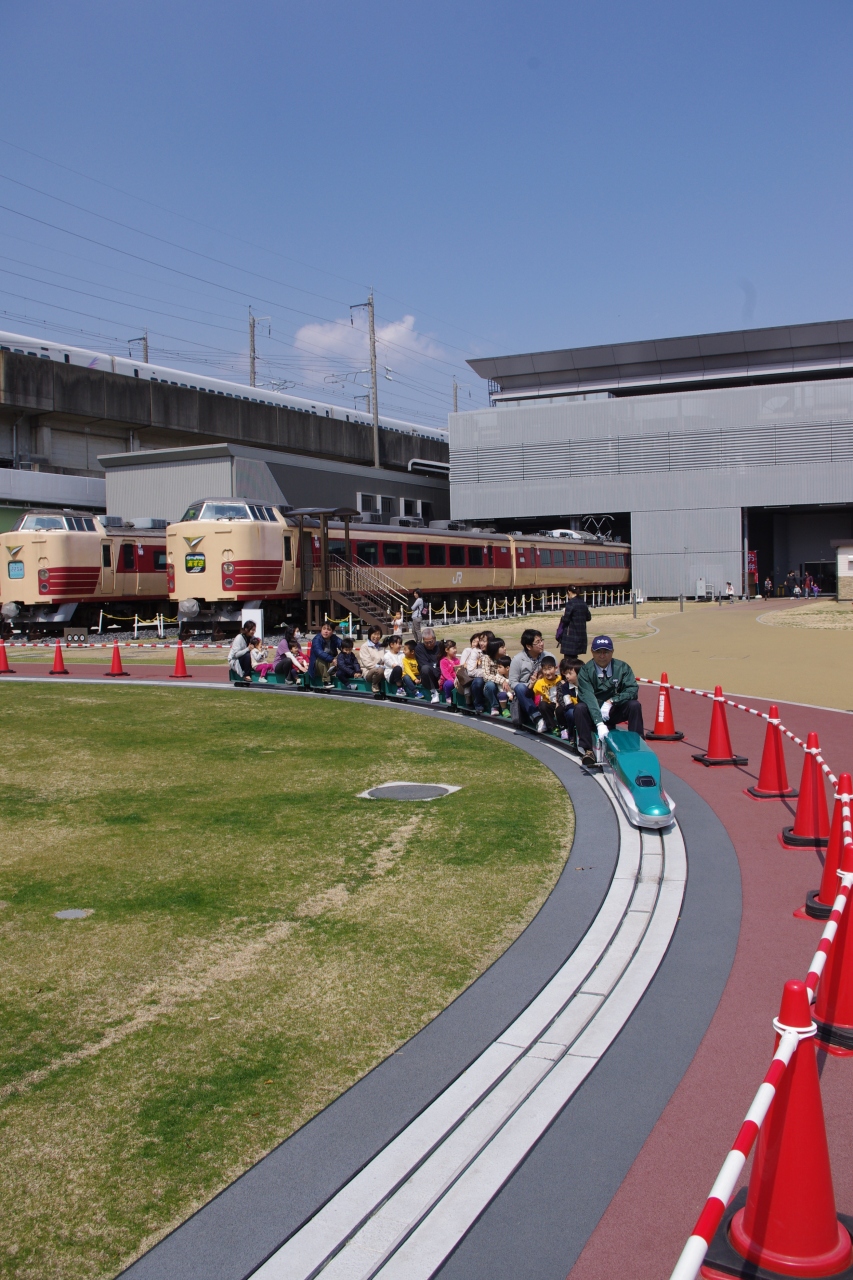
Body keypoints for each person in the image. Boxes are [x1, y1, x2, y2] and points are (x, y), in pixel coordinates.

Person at [575, 635, 644, 767]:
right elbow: (588, 697)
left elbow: (632, 690)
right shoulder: (585, 671)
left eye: (606, 652)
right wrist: (599, 722)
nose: (602, 656)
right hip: (593, 712)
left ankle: (637, 744)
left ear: (612, 652)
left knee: (634, 705)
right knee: (579, 708)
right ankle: (588, 750)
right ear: (592, 652)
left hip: (613, 710)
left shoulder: (622, 668)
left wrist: (612, 701)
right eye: (598, 652)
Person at [508, 628, 547, 732]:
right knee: (519, 687)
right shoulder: (517, 659)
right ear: (528, 646)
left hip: (544, 688)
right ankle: (538, 718)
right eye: (537, 642)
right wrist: (531, 684)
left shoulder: (548, 656)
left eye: (541, 640)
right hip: (525, 691)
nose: (541, 644)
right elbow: (513, 682)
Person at [557, 586, 591, 671]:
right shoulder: (583, 603)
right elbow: (588, 617)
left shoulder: (571, 603)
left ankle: (568, 674)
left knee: (568, 660)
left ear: (569, 592)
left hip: (570, 635)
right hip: (581, 635)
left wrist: (563, 616)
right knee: (574, 659)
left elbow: (566, 619)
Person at [532, 654, 561, 732]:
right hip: (549, 705)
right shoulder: (540, 682)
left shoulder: (561, 679)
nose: (547, 672)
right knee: (542, 704)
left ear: (556, 668)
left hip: (560, 704)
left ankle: (564, 727)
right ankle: (553, 727)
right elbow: (529, 695)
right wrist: (531, 684)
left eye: (549, 668)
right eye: (545, 669)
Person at [414, 628, 443, 703]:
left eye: (431, 642)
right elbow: (423, 664)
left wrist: (440, 676)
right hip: (428, 676)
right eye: (426, 643)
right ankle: (433, 692)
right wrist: (438, 675)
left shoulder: (440, 646)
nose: (429, 644)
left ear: (434, 639)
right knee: (425, 668)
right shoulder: (419, 648)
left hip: (441, 674)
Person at [308, 621, 340, 686]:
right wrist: (332, 659)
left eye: (328, 630)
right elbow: (319, 652)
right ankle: (326, 681)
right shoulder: (317, 639)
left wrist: (346, 649)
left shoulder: (334, 638)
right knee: (321, 659)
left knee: (343, 654)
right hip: (317, 666)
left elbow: (343, 645)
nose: (326, 631)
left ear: (332, 631)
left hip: (330, 663)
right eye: (324, 629)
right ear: (321, 629)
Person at [359, 625, 387, 697]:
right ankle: (374, 685)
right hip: (369, 671)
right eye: (374, 634)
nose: (376, 636)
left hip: (382, 669)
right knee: (379, 670)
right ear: (370, 634)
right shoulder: (365, 647)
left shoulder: (381, 646)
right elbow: (367, 664)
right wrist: (381, 666)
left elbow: (385, 659)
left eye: (378, 634)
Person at [555, 657, 579, 740]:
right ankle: (570, 734)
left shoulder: (584, 685)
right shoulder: (564, 686)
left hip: (581, 708)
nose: (567, 676)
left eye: (569, 673)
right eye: (566, 673)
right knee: (568, 712)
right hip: (571, 708)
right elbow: (566, 702)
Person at [228, 620, 256, 684]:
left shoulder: (252, 638)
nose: (254, 632)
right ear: (246, 629)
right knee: (247, 655)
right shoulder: (239, 638)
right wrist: (247, 649)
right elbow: (236, 655)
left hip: (244, 659)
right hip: (235, 660)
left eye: (254, 630)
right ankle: (246, 675)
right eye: (252, 630)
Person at [440, 640, 461, 705]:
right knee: (449, 684)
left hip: (456, 680)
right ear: (447, 650)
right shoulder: (443, 661)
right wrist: (453, 681)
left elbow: (459, 670)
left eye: (456, 648)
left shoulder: (457, 660)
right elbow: (445, 673)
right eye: (453, 648)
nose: (455, 650)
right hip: (447, 680)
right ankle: (448, 696)